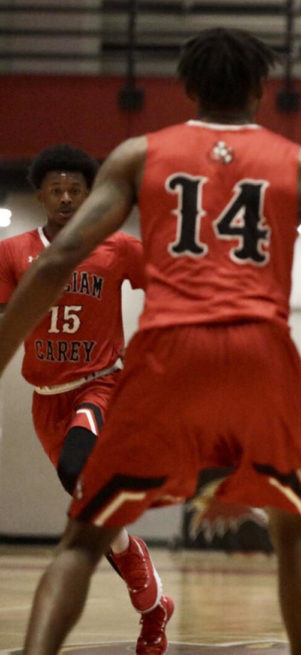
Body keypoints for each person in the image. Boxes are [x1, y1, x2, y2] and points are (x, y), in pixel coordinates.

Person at [0, 28, 301, 655]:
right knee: (294, 533)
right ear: (262, 91)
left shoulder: (138, 155)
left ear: (186, 88)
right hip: (260, 351)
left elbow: (59, 261)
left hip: (168, 350)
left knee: (83, 537)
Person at [0, 144, 171, 653]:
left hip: (100, 384)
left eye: (76, 189)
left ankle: (148, 591)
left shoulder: (117, 247)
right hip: (44, 398)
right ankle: (153, 604)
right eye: (57, 189)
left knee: (79, 472)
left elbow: (166, 284)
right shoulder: (12, 252)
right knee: (90, 506)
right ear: (41, 195)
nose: (67, 197)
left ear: (90, 194)